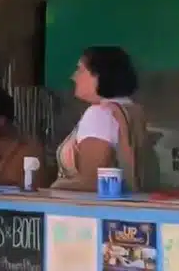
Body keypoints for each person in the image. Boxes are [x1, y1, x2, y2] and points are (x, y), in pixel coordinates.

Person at [51, 46, 150, 192]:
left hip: (90, 210)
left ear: (99, 75)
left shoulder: (99, 114)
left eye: (80, 70)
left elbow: (91, 182)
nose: (73, 76)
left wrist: (56, 186)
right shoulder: (132, 110)